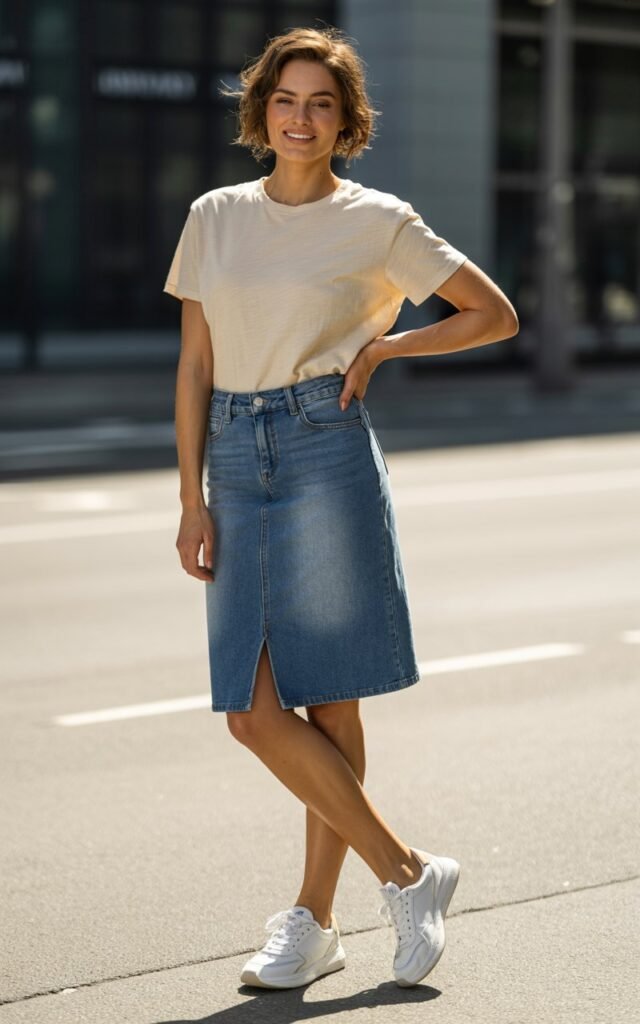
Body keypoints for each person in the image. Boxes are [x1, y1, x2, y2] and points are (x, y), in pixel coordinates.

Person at [163, 25, 518, 991]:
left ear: (345, 119)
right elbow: (194, 365)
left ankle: (314, 920)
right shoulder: (215, 216)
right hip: (233, 454)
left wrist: (386, 348)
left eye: (321, 103)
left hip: (325, 444)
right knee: (251, 711)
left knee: (330, 695)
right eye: (286, 99)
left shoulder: (379, 221)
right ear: (262, 110)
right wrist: (190, 497)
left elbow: (492, 314)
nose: (301, 117)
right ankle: (407, 871)